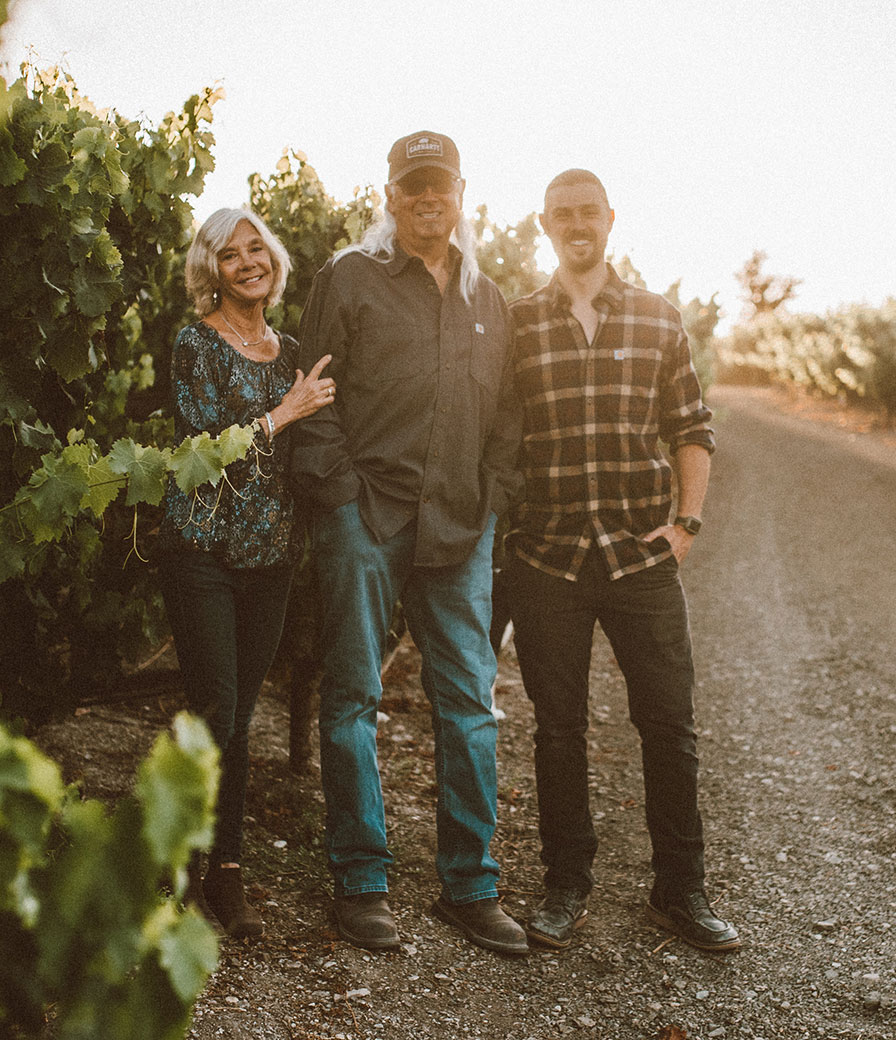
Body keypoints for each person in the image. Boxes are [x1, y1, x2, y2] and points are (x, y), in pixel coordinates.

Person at [289, 131, 527, 955]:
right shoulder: (348, 279)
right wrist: (341, 500)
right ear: (391, 196)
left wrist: (491, 504)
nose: (428, 199)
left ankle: (470, 884)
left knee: (470, 705)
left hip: (459, 529)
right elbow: (312, 399)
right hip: (368, 518)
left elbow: (507, 422)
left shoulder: (487, 300)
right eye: (412, 186)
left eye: (442, 187)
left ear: (462, 195)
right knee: (352, 694)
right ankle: (360, 881)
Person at [504, 169, 741, 951]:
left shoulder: (656, 318)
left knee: (668, 724)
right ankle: (566, 883)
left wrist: (687, 526)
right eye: (562, 215)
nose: (577, 225)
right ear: (546, 224)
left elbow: (691, 429)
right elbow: (499, 438)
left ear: (610, 220)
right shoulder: (518, 325)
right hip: (548, 558)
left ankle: (682, 889)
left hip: (641, 556)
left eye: (588, 213)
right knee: (557, 729)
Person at [158, 207, 335, 938]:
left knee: (235, 714)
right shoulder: (194, 344)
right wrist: (280, 415)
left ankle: (221, 866)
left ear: (273, 260)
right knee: (220, 710)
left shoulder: (292, 348)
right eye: (229, 255)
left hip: (269, 558)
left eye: (255, 249)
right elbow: (199, 448)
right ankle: (191, 860)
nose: (247, 262)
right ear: (212, 271)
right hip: (200, 551)